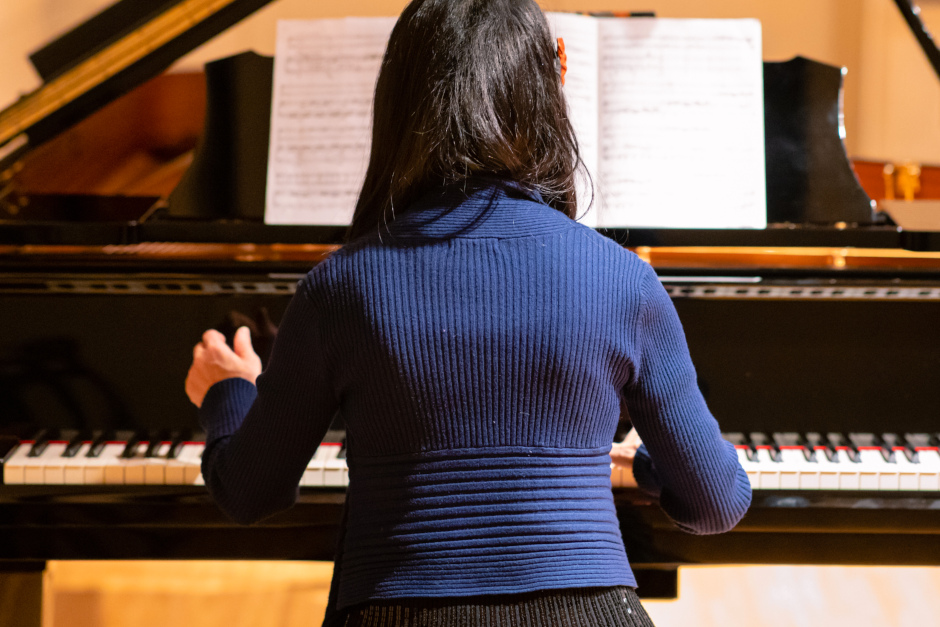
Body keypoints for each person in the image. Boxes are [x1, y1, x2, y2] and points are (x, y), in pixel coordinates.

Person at [184, 0, 752, 625]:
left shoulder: (341, 287)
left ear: (399, 103)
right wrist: (641, 467)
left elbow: (249, 491)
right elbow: (717, 500)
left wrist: (229, 393)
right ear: (547, 92)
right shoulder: (625, 280)